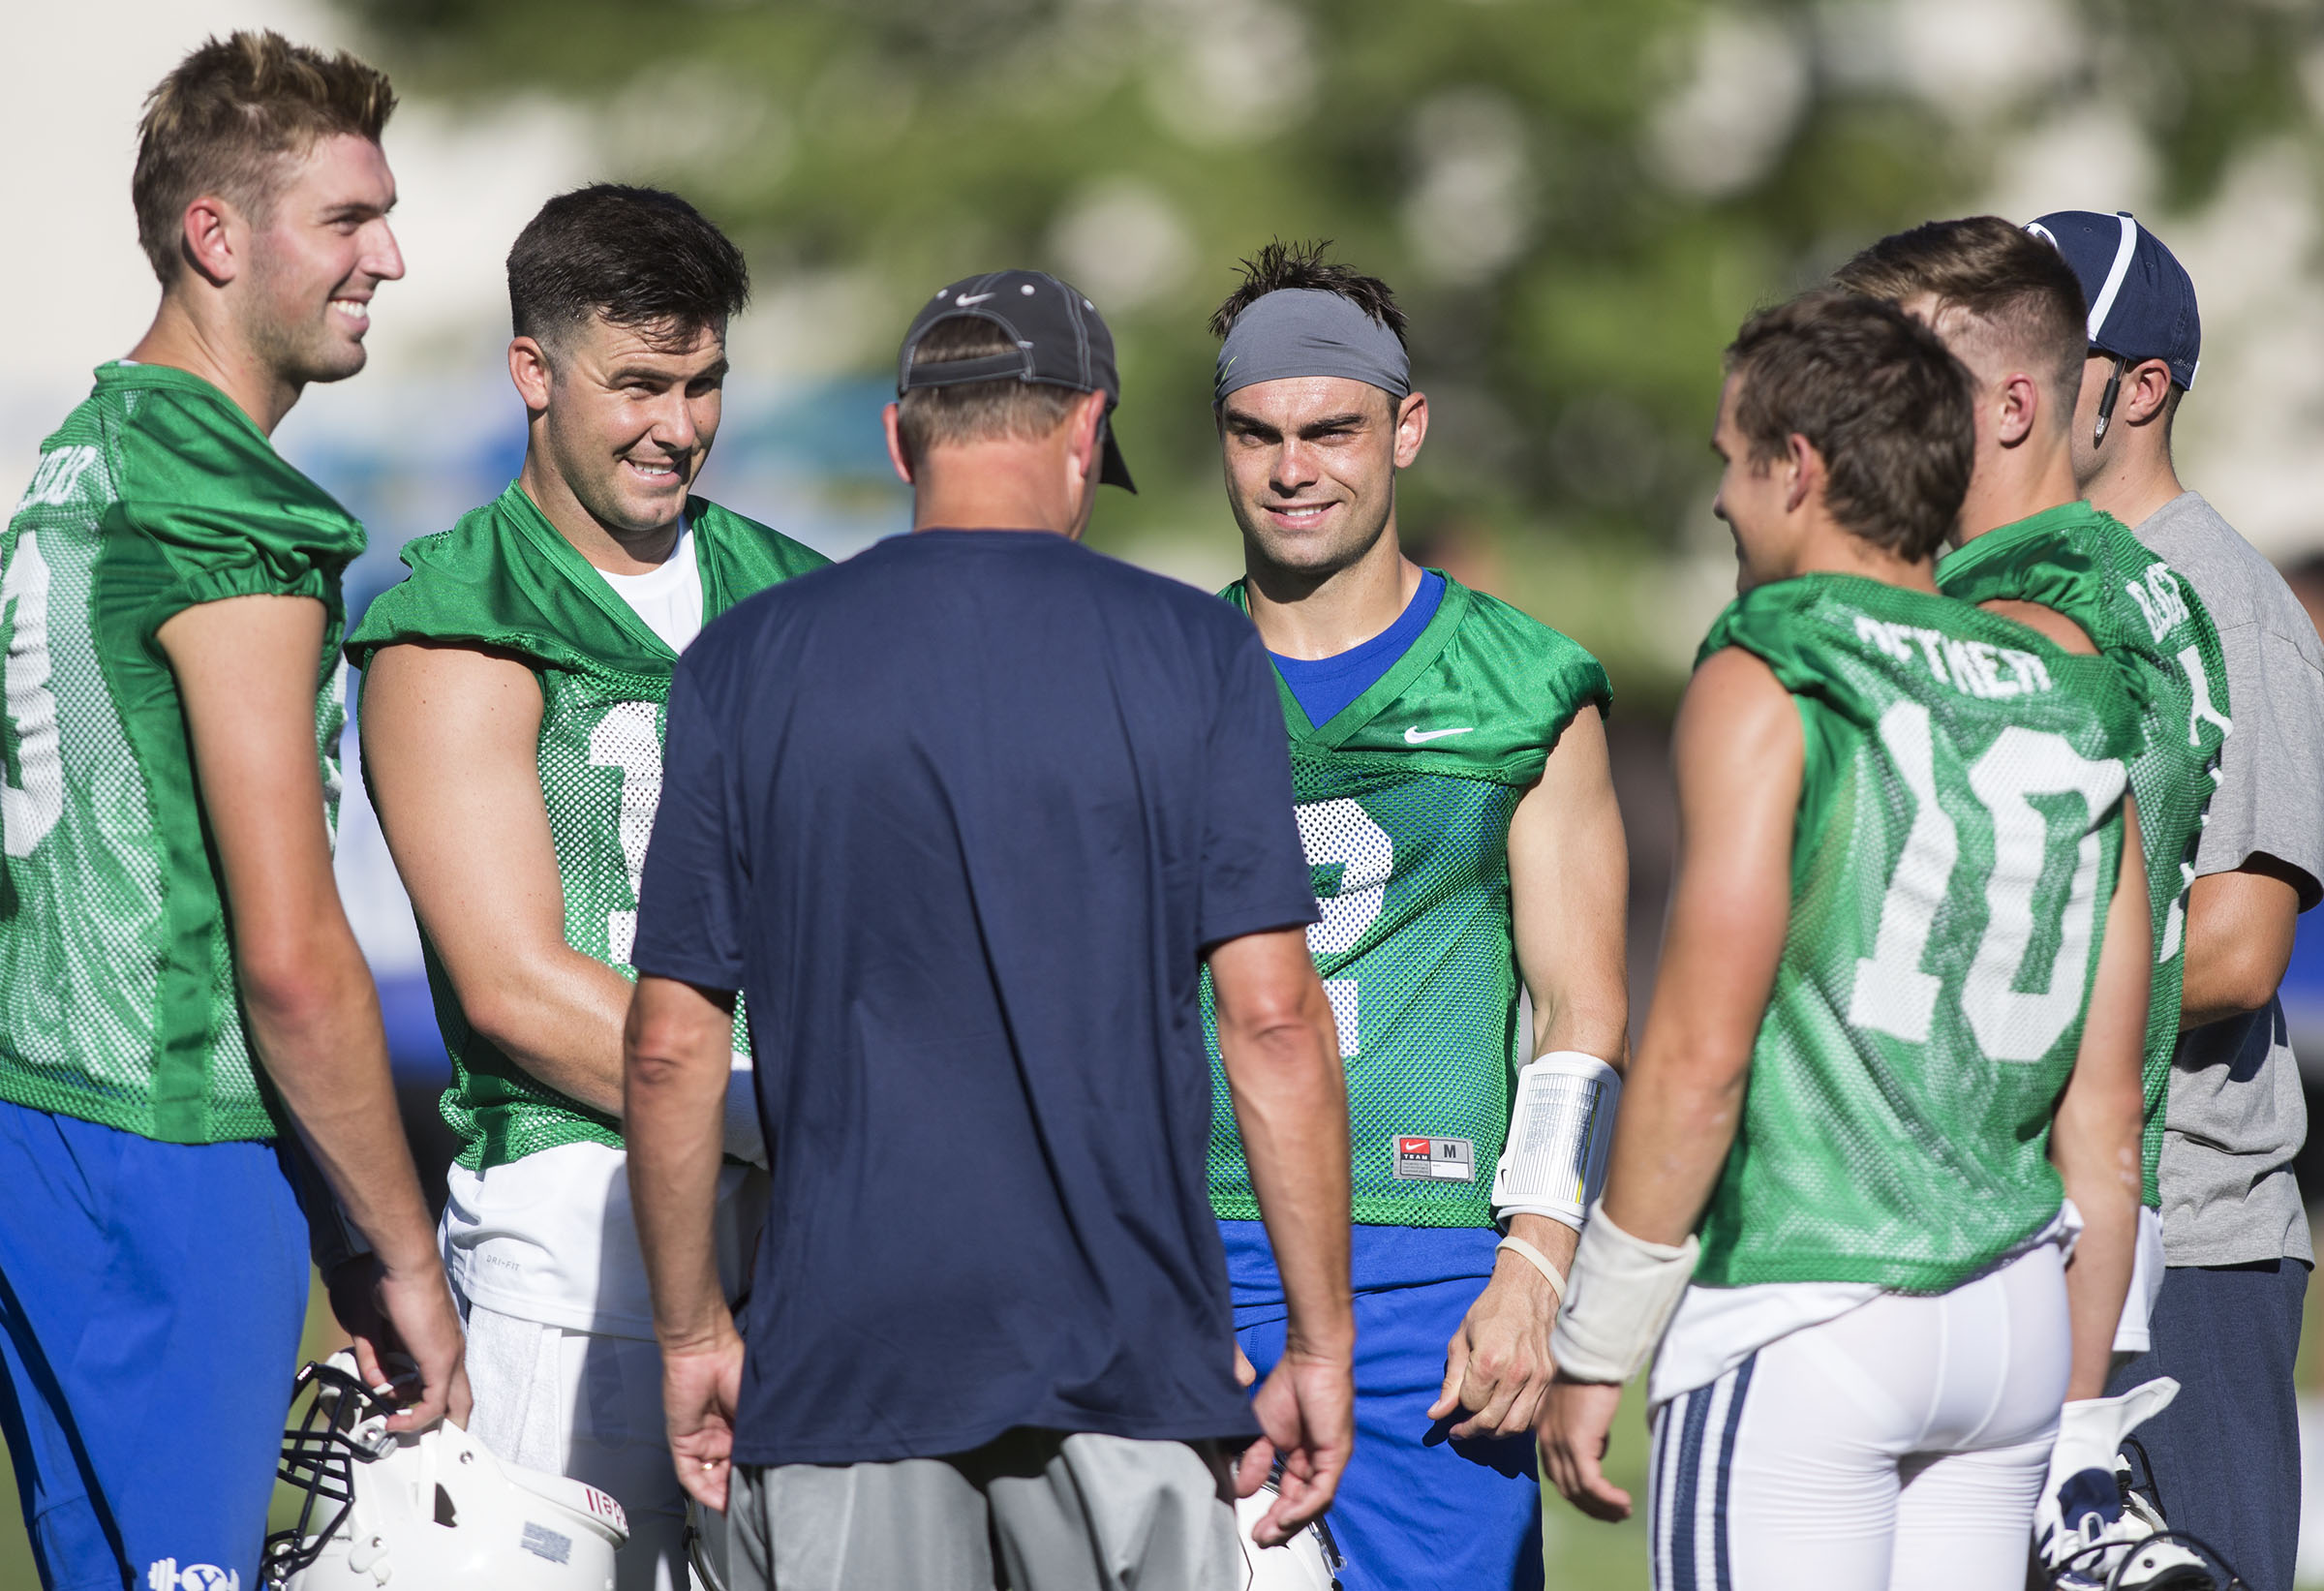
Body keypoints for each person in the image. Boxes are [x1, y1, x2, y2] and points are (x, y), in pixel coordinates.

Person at [620, 270, 1358, 1591]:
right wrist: (1318, 1342)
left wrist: (690, 1334)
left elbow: (673, 1049)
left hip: (843, 1362)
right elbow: (1272, 1019)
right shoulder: (1194, 651)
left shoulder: (744, 662)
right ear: (1087, 432)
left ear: (901, 439)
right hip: (1126, 1357)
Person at [1541, 291, 2152, 1591]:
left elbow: (1702, 1052)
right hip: (2014, 1319)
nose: (1720, 500)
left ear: (1798, 468)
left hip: (1807, 1302)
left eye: (1729, 459)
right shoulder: (2076, 699)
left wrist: (1595, 1343)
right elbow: (2103, 1122)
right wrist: (2080, 1414)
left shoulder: (1781, 663)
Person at [0, 31, 466, 1591]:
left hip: (37, 1123)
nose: (387, 258)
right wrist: (406, 1248)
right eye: (346, 220)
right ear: (217, 235)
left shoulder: (78, 459)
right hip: (167, 1140)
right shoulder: (219, 501)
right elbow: (288, 948)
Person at [347, 184, 825, 1589]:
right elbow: (511, 985)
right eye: (638, 384)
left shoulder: (797, 598)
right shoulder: (454, 617)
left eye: (704, 384)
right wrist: (787, 1113)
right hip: (573, 1252)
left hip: (801, 1248)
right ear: (534, 373)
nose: (676, 425)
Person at [1198, 241, 1628, 1591]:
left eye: (1332, 430)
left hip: (1433, 1275)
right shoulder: (1158, 676)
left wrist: (1538, 1265)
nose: (1293, 467)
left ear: (1408, 429)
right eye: (1259, 432)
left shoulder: (1527, 684)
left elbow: (1579, 1007)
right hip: (1202, 1250)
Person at [1832, 216, 2234, 1573]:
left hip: (1968, 1215)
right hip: (2071, 1201)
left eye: (1895, 376)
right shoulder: (2128, 583)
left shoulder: (2021, 617)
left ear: (2012, 402)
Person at [2036, 207, 2324, 1591]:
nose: (2005, 389)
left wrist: (1989, 1004)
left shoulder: (2234, 606)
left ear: (2140, 386)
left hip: (2193, 1246)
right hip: (2011, 1236)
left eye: (2046, 352)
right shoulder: (2013, 592)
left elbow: (2240, 949)